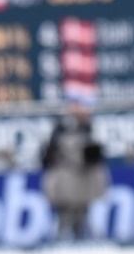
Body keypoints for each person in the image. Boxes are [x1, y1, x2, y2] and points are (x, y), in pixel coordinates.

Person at [40, 97, 109, 241]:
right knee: (66, 217)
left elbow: (96, 157)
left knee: (81, 216)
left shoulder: (88, 132)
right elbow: (46, 158)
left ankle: (80, 240)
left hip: (82, 181)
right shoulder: (58, 133)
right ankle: (62, 242)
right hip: (65, 182)